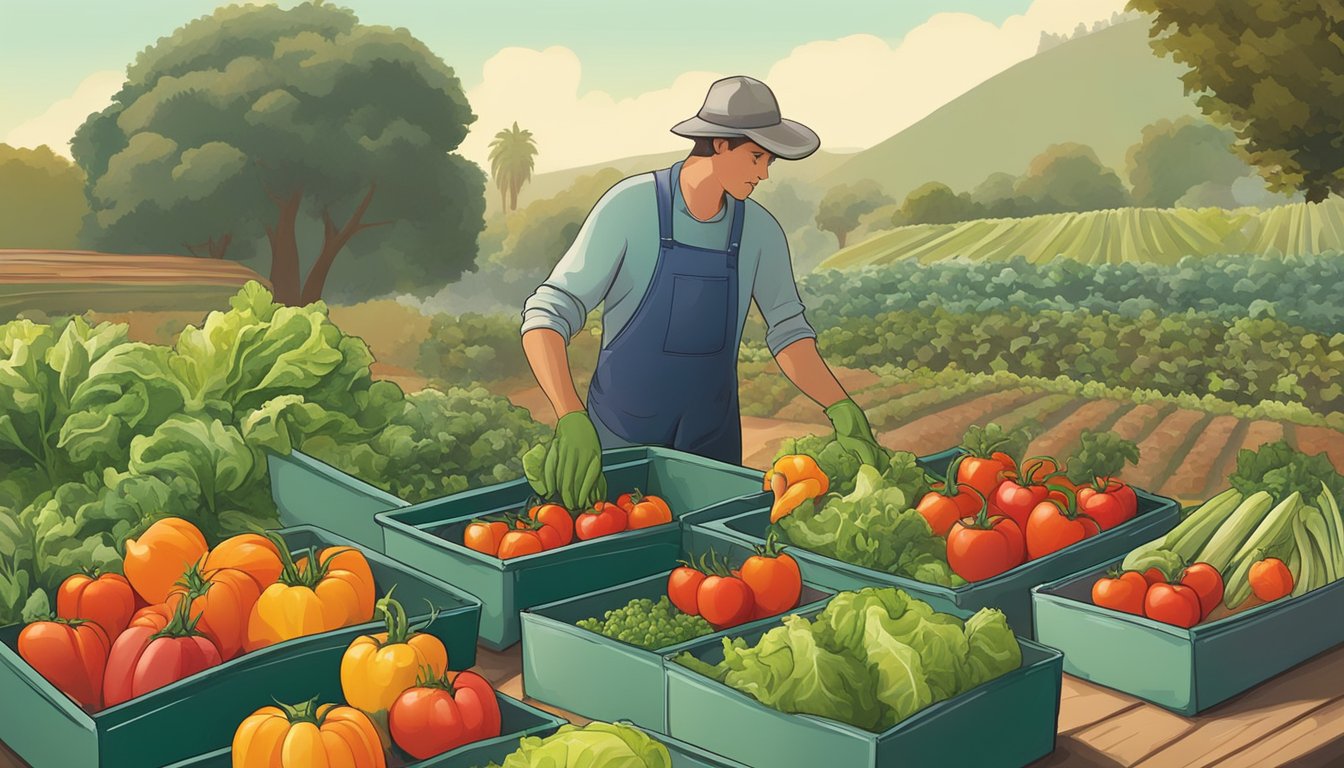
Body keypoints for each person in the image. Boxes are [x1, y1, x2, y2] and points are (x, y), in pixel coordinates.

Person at [520, 75, 883, 510]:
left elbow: (788, 333)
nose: (764, 174)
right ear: (719, 144)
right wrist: (569, 415)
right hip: (619, 449)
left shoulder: (760, 232)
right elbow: (547, 313)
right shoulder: (630, 207)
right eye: (755, 157)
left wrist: (840, 406)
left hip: (713, 454)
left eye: (769, 161)